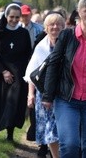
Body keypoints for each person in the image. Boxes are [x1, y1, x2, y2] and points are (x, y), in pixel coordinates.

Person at [42, 0, 86, 157]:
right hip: (66, 99)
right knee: (70, 144)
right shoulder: (66, 36)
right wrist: (48, 95)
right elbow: (54, 64)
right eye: (85, 10)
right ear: (79, 12)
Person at [0, 3, 31, 141]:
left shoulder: (24, 33)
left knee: (14, 104)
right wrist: (3, 71)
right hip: (0, 72)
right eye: (12, 17)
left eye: (17, 17)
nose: (14, 20)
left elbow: (27, 53)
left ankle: (10, 134)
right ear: (6, 16)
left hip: (18, 73)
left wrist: (20, 71)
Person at [24, 13, 65, 158]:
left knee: (64, 130)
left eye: (58, 24)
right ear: (46, 28)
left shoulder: (68, 43)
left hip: (64, 93)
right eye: (51, 25)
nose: (55, 27)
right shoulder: (41, 47)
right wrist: (31, 94)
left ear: (63, 26)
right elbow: (32, 73)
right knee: (51, 130)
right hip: (45, 95)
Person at [20, 4, 45, 148]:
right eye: (23, 15)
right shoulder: (18, 28)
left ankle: (34, 128)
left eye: (27, 14)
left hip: (36, 63)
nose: (25, 17)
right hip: (23, 65)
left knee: (34, 97)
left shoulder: (39, 29)